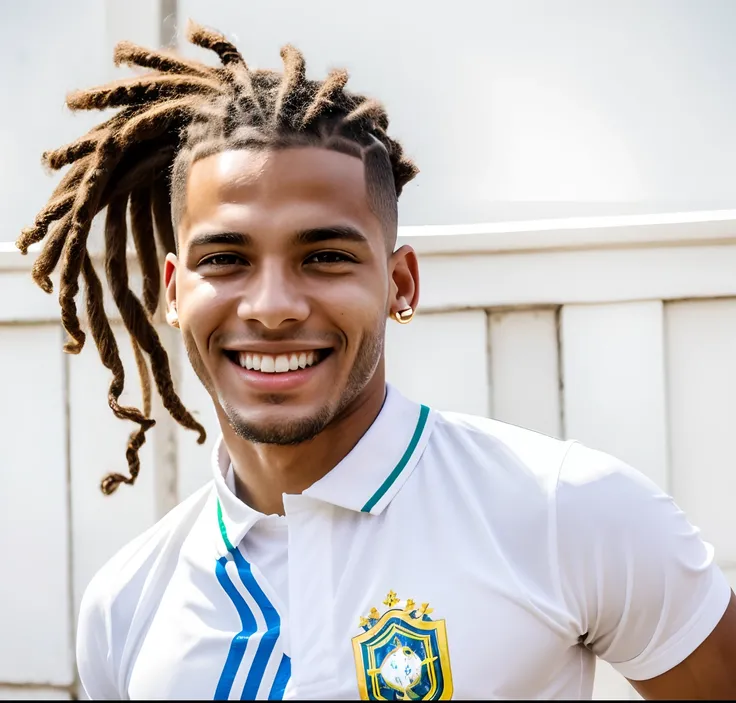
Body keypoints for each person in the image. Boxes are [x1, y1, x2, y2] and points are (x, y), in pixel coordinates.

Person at [18, 19, 736, 701]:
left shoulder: (570, 511)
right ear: (175, 292)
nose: (272, 305)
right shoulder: (125, 607)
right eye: (227, 258)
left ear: (400, 283)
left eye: (324, 255)